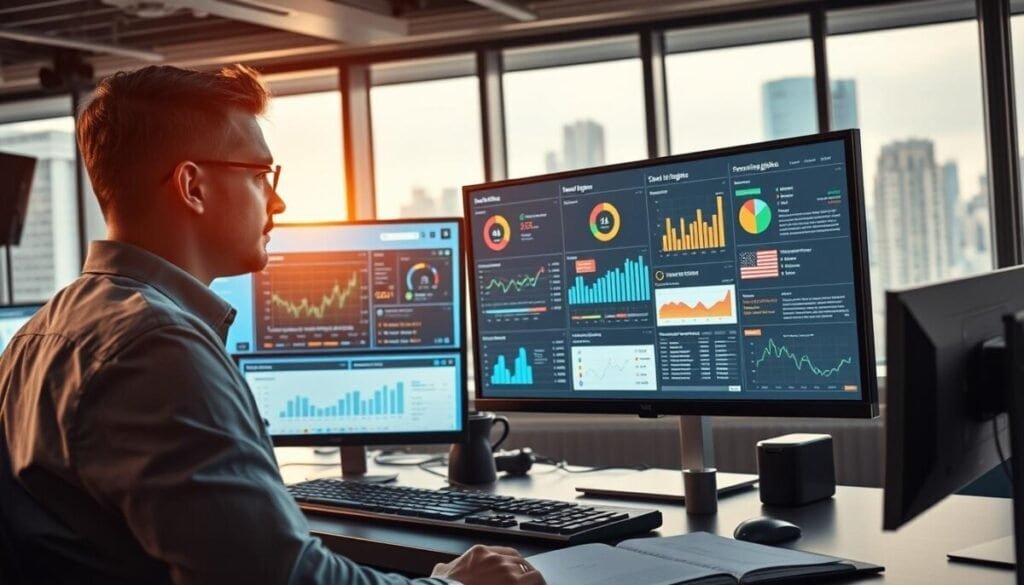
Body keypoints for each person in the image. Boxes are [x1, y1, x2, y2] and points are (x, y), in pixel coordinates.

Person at [0, 64, 544, 585]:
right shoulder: (157, 346)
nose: (278, 200)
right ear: (192, 186)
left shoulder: (38, 335)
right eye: (261, 175)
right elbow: (280, 579)